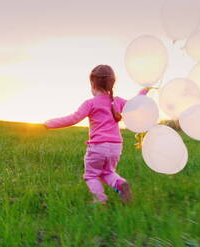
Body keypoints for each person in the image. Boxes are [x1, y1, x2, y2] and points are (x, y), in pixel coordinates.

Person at [44, 64, 148, 205]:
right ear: (111, 84)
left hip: (98, 146)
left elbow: (73, 118)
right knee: (108, 172)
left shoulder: (90, 103)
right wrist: (143, 93)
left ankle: (100, 200)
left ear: (92, 83)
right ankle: (120, 184)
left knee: (91, 175)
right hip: (116, 146)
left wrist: (49, 123)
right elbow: (134, 105)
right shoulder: (117, 101)